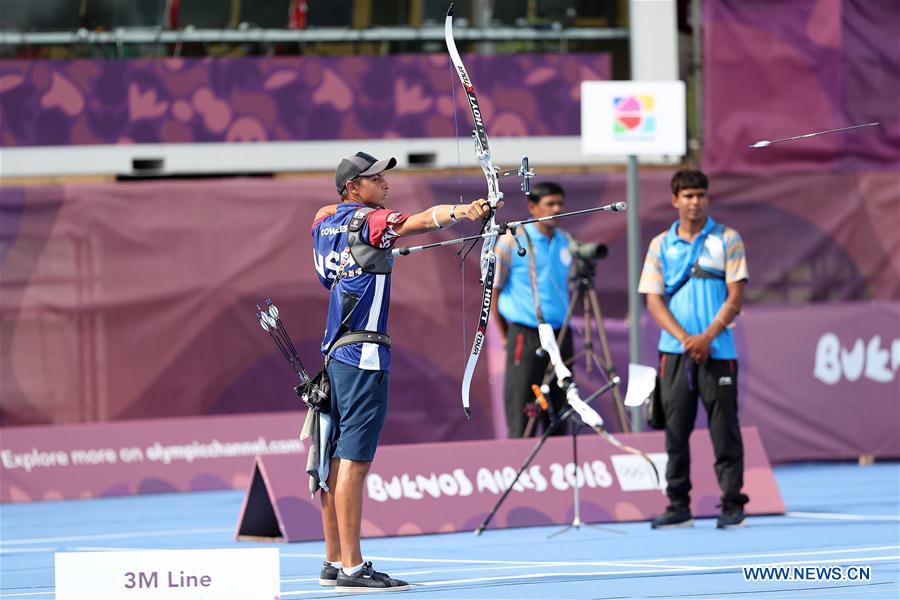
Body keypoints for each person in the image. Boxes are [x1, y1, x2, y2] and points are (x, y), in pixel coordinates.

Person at [310, 151, 492, 592]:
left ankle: (334, 561)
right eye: (375, 179)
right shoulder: (372, 221)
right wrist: (464, 212)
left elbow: (328, 213)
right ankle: (354, 569)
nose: (386, 184)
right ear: (354, 187)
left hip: (334, 354)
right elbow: (422, 220)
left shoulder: (323, 224)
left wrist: (364, 228)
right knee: (354, 460)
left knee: (332, 459)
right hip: (363, 356)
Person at [638, 169, 750, 530]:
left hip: (718, 352)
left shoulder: (727, 238)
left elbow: (736, 296)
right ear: (675, 200)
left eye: (700, 195)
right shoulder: (660, 245)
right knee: (675, 430)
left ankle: (732, 503)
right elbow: (653, 301)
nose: (695, 202)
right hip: (674, 352)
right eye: (687, 195)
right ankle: (678, 504)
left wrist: (707, 337)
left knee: (724, 429)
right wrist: (687, 339)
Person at [490, 181, 575, 439]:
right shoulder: (512, 240)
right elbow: (493, 291)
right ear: (533, 207)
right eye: (550, 204)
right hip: (525, 333)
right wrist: (506, 335)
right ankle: (520, 461)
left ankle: (559, 462)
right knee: (522, 410)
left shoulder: (566, 242)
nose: (557, 209)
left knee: (561, 409)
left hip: (560, 334)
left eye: (560, 203)